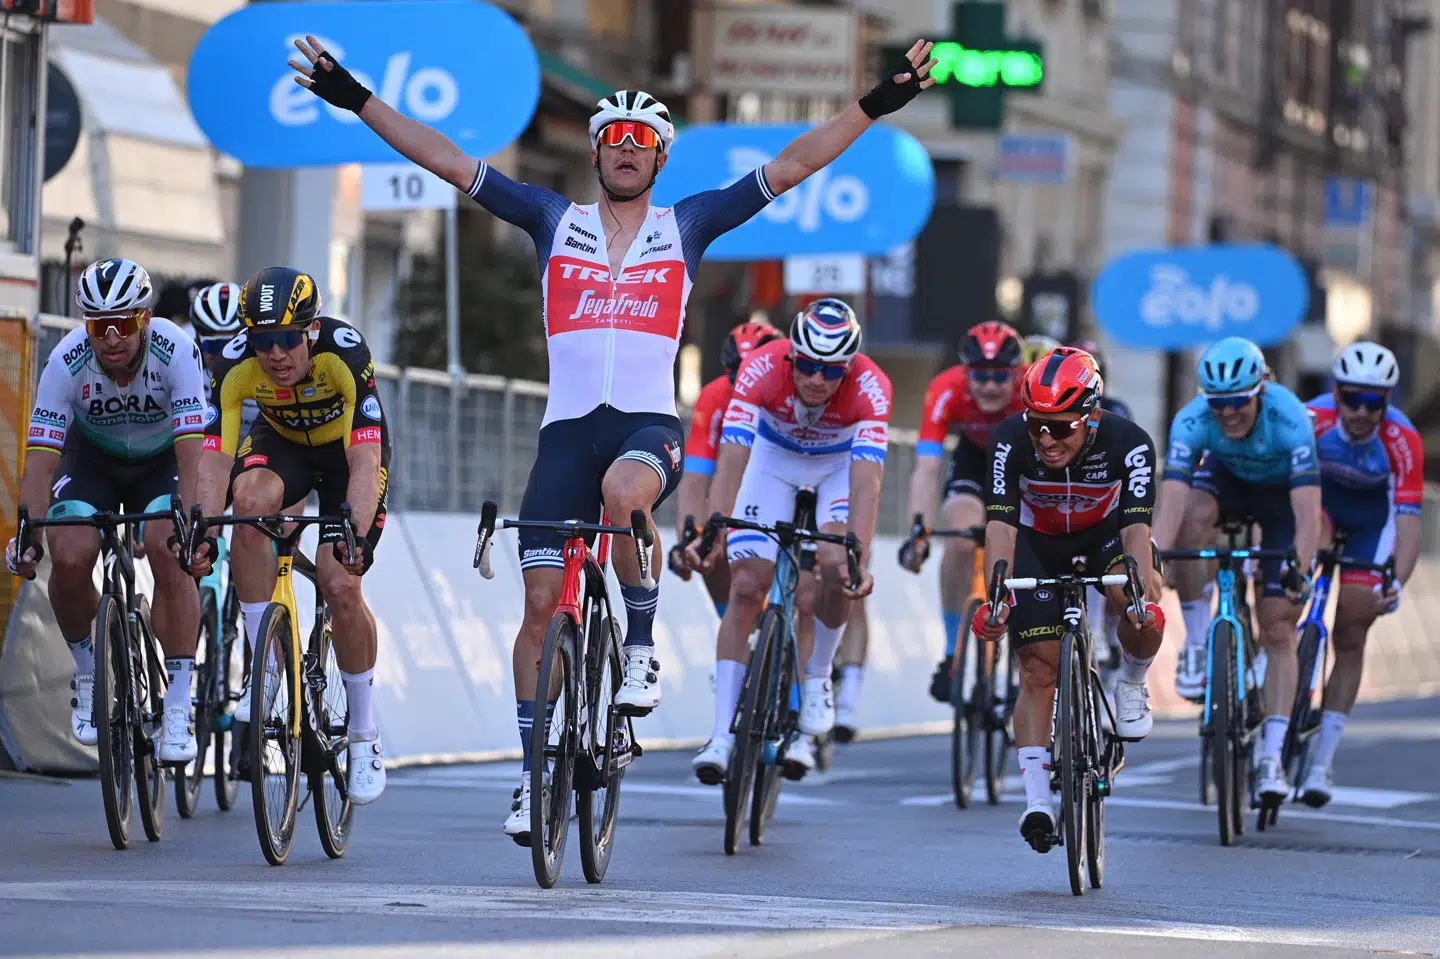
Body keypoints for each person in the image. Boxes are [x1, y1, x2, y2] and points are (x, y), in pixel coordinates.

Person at [286, 33, 940, 840]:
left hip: (643, 427)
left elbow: (796, 162)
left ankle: (638, 650)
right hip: (564, 432)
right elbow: (449, 161)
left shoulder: (688, 224)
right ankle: (534, 778)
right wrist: (357, 99)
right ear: (596, 153)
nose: (627, 150)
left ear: (660, 159)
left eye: (643, 142)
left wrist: (877, 103)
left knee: (625, 494)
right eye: (614, 140)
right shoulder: (549, 218)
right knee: (535, 607)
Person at [186, 266, 390, 806]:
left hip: (347, 454)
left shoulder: (344, 353)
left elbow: (367, 460)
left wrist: (359, 538)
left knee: (340, 584)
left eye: (287, 340)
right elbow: (213, 464)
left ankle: (365, 733)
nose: (276, 355)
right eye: (263, 342)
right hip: (284, 445)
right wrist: (201, 530)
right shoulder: (233, 366)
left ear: (311, 331)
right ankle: (265, 665)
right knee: (246, 504)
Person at [5, 258, 206, 763]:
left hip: (161, 462)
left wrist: (192, 525)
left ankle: (178, 703)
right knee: (69, 555)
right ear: (85, 325)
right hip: (91, 458)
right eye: (99, 325)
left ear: (145, 318)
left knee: (168, 545)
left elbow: (193, 456)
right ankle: (89, 670)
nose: (112, 337)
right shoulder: (67, 360)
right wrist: (28, 531)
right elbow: (41, 460)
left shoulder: (177, 351)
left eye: (123, 323)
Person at [972, 347, 1165, 851]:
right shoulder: (1010, 440)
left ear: (1092, 417)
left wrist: (1140, 597)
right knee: (1038, 669)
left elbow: (1137, 531)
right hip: (1039, 545)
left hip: (1104, 539)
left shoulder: (1130, 443)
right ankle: (1037, 800)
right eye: (1037, 424)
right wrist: (997, 597)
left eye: (1060, 428)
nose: (1045, 439)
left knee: (1137, 596)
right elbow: (1000, 527)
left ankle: (1131, 683)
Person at [686, 300, 887, 781]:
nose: (817, 380)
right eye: (809, 366)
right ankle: (720, 736)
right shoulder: (760, 368)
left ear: (849, 367)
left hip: (837, 468)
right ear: (791, 355)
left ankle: (818, 676)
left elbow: (866, 484)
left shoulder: (871, 386)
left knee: (838, 565)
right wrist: (717, 525)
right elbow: (732, 459)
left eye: (831, 371)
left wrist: (858, 552)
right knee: (746, 588)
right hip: (773, 461)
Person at [1152, 336, 1321, 803]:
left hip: (1280, 496)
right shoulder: (1191, 419)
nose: (1227, 413)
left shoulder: (1289, 418)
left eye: (1238, 403)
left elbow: (1308, 515)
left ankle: (1270, 759)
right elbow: (1171, 503)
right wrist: (1152, 560)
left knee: (1279, 626)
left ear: (1260, 391)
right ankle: (1199, 641)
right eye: (1218, 403)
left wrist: (1298, 570)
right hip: (1226, 480)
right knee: (1191, 522)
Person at [1301, 342, 1422, 806]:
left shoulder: (1402, 439)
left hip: (1371, 525)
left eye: (1374, 403)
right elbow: (1288, 492)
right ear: (1337, 393)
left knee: (1352, 630)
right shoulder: (1315, 419)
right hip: (1322, 510)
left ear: (1386, 404)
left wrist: (1397, 579)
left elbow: (1407, 520)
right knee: (1283, 591)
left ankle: (1321, 764)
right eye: (1352, 398)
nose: (1361, 412)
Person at [900, 321, 1025, 701]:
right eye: (980, 375)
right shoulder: (946, 388)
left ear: (1016, 373)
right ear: (965, 371)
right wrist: (918, 531)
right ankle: (952, 653)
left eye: (1000, 376)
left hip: (1024, 464)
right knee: (958, 539)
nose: (989, 386)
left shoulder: (1031, 392)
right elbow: (927, 468)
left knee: (1029, 550)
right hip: (975, 460)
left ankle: (1025, 659)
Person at [669, 319, 784, 617]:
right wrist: (688, 538)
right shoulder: (715, 396)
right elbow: (696, 478)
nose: (746, 384)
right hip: (740, 485)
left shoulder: (796, 391)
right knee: (710, 544)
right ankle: (737, 634)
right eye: (737, 375)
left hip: (790, 480)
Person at [1071, 337, 1133, 703]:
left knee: (1114, 554)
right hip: (1065, 505)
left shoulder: (1117, 411)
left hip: (1108, 499)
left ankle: (1107, 632)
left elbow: (1126, 475)